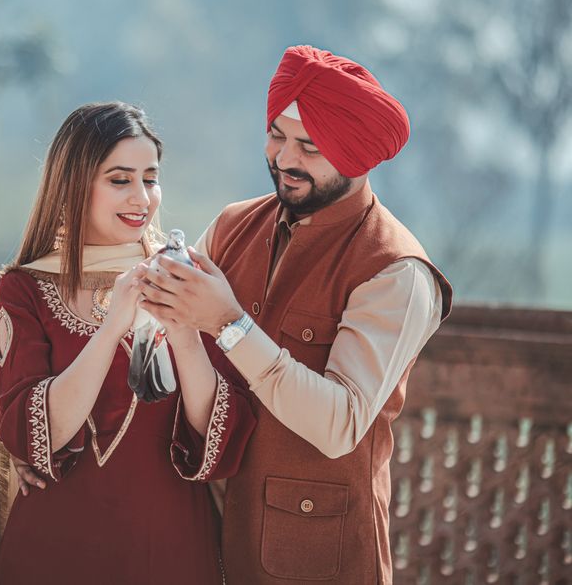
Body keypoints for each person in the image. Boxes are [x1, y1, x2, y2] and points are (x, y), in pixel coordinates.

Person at [137, 45, 453, 584]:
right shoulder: (233, 225)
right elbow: (167, 367)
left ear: (356, 155)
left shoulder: (396, 270)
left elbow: (338, 425)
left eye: (308, 145)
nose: (284, 158)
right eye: (276, 135)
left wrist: (229, 325)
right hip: (201, 538)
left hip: (315, 558)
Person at [0, 101, 256, 585]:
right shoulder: (26, 289)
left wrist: (184, 328)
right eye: (120, 179)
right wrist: (113, 326)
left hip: (169, 548)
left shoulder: (186, 275)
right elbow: (31, 435)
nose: (142, 198)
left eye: (150, 178)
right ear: (74, 184)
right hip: (53, 551)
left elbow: (220, 439)